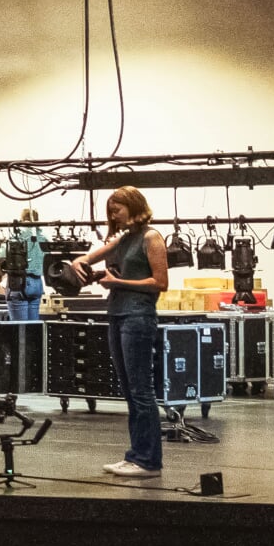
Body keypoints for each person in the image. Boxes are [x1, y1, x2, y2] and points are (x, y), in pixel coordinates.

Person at [73, 185, 170, 478]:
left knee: (141, 390)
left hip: (138, 316)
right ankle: (136, 456)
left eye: (118, 209)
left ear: (133, 206)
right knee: (130, 390)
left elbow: (160, 283)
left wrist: (119, 283)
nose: (113, 214)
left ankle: (148, 461)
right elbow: (95, 255)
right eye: (111, 210)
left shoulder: (151, 237)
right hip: (117, 314)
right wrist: (80, 261)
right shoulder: (124, 238)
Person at [0, 208, 47, 322]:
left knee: (19, 327)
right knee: (33, 328)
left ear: (21, 219)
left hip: (19, 283)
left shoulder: (17, 236)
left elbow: (0, 256)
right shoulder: (43, 237)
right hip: (37, 284)